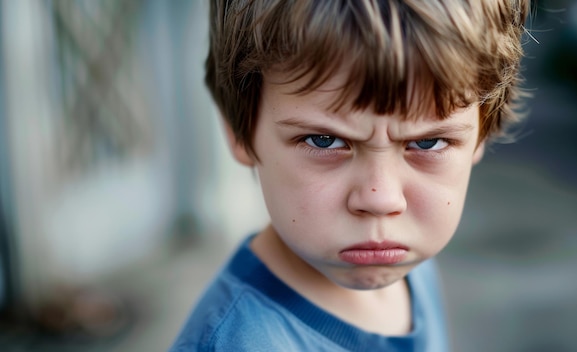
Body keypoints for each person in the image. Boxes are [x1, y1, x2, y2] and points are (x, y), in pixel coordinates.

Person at [170, 0, 533, 351]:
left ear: (482, 131)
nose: (382, 200)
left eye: (429, 142)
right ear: (239, 132)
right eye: (324, 140)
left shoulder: (405, 261)